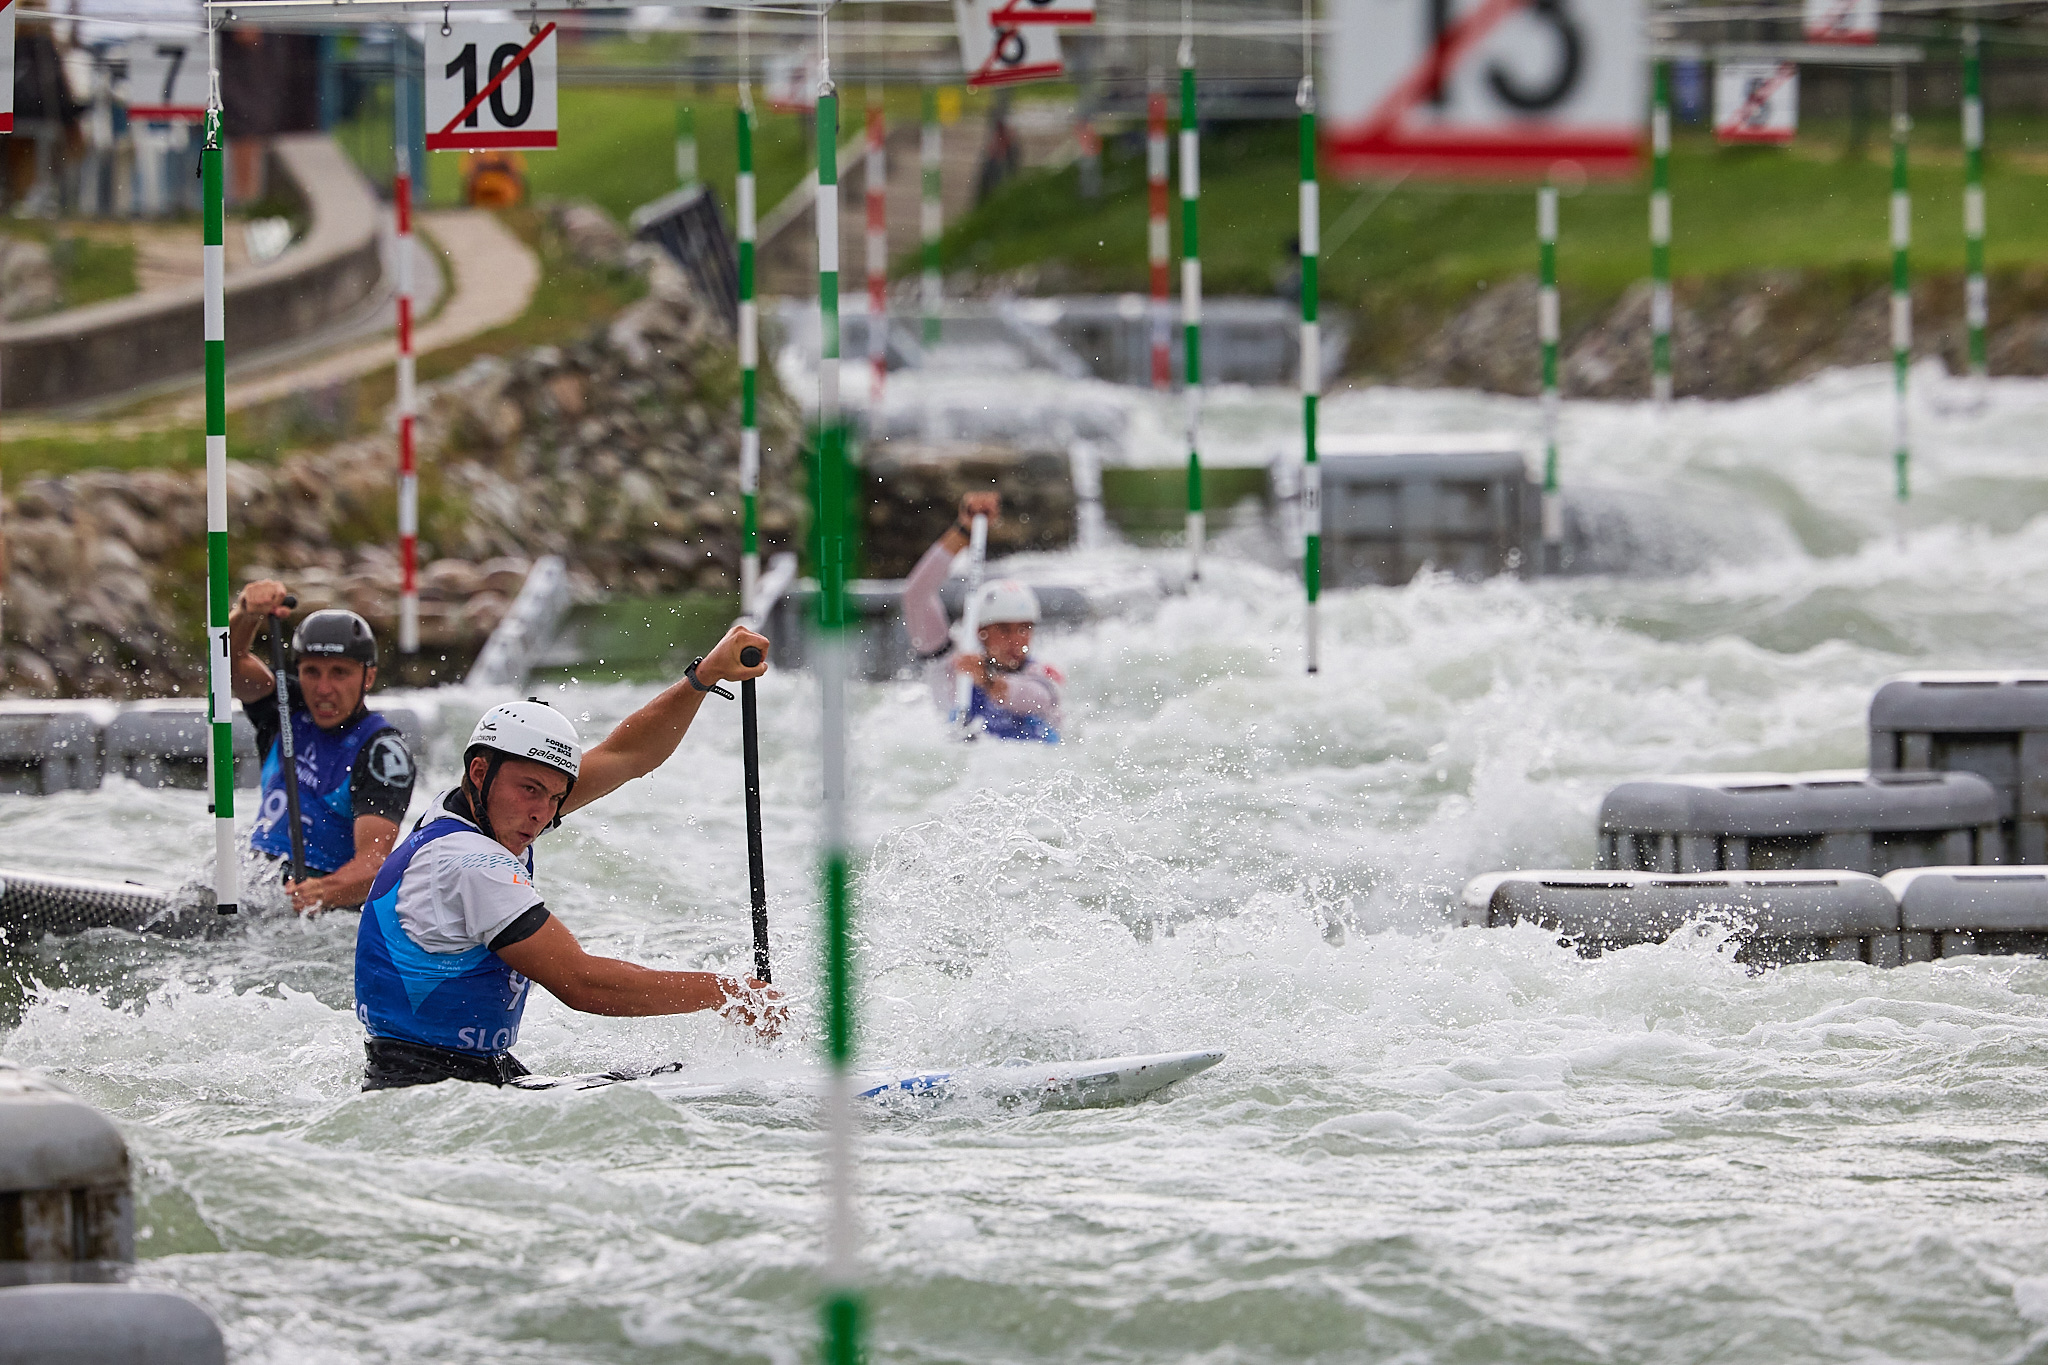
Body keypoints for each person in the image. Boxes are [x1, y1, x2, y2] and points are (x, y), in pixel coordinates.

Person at [353, 623, 785, 1091]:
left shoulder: (472, 812)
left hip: (469, 1070)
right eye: (530, 790)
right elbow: (582, 984)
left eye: (556, 797)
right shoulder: (469, 864)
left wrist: (704, 676)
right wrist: (728, 992)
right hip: (428, 1086)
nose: (542, 814)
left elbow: (627, 754)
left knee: (665, 1080)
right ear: (479, 772)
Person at [229, 583, 416, 914]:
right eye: (311, 672)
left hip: (323, 911)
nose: (324, 689)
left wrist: (323, 892)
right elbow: (228, 664)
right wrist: (246, 614)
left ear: (368, 677)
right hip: (254, 884)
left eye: (339, 673)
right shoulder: (284, 707)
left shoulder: (383, 753)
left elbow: (374, 864)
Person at [904, 492, 1064, 743]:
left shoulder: (1042, 675)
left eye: (1024, 628)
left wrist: (987, 680)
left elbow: (1035, 699)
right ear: (981, 631)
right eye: (1004, 629)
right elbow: (916, 596)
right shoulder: (948, 664)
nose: (1016, 640)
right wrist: (962, 532)